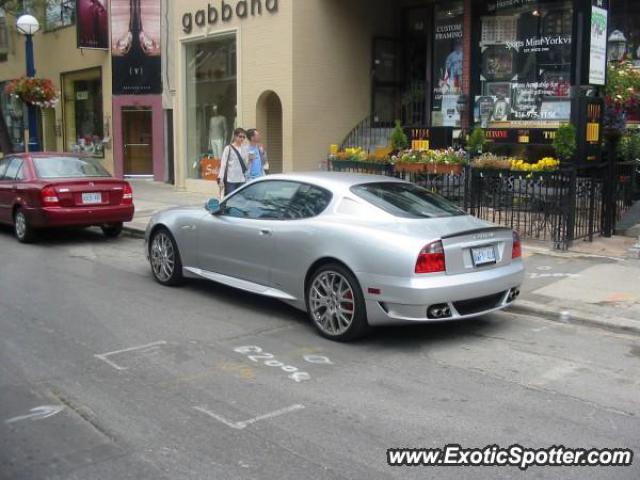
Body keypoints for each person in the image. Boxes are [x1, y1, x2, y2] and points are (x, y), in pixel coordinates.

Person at [218, 128, 248, 196]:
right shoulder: (228, 148)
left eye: (244, 137)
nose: (242, 139)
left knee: (240, 200)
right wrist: (221, 179)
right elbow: (223, 165)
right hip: (231, 180)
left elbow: (246, 166)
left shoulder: (244, 148)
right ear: (235, 136)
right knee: (231, 200)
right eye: (240, 136)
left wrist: (250, 160)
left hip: (242, 180)